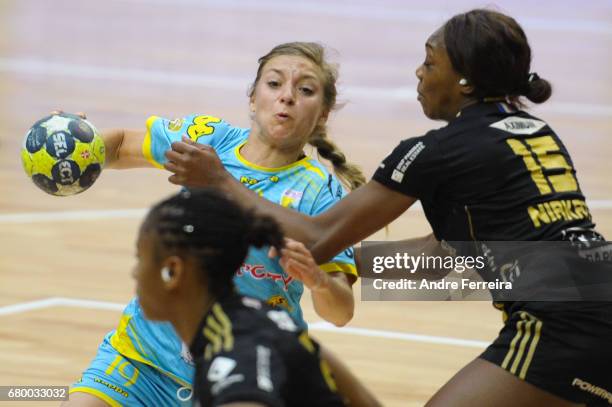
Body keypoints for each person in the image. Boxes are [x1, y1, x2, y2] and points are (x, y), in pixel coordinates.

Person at [164, 9, 612, 407]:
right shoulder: (535, 133)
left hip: (563, 321)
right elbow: (444, 258)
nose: (419, 72)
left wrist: (220, 180)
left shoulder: (437, 150)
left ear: (466, 81)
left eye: (430, 61)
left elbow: (318, 238)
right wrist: (346, 266)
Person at [65, 42, 362, 406]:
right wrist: (76, 142)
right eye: (274, 84)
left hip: (242, 371)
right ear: (253, 98)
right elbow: (123, 144)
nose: (286, 97)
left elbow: (341, 310)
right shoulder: (208, 140)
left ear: (323, 114)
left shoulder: (323, 194)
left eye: (305, 90)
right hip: (142, 361)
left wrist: (317, 281)